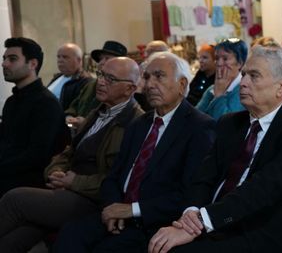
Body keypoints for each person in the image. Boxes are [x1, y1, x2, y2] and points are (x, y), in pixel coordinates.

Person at [147, 46, 282, 252]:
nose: (243, 82)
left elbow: (265, 188)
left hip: (267, 228)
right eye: (243, 75)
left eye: (254, 76)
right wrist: (191, 212)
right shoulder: (230, 123)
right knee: (156, 241)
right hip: (216, 220)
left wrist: (202, 220)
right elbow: (204, 177)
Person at [52, 51, 213, 253]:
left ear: (182, 85)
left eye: (159, 76)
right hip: (119, 213)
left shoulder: (199, 127)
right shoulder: (140, 124)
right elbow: (114, 176)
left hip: (154, 222)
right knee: (71, 234)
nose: (150, 84)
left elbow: (189, 193)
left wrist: (133, 210)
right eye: (147, 77)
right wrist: (114, 207)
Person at [0, 57, 144, 252]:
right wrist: (56, 171)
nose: (100, 81)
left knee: (15, 199)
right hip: (69, 189)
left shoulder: (136, 124)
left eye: (110, 79)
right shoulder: (98, 112)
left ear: (130, 89)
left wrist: (74, 182)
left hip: (94, 200)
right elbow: (69, 151)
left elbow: (120, 180)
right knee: (22, 233)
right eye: (101, 74)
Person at [0, 37, 66, 197]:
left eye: (12, 59)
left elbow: (36, 156)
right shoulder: (11, 101)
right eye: (4, 59)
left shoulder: (46, 103)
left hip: (30, 180)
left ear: (32, 64)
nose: (4, 64)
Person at [65, 40, 128, 128]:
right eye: (101, 59)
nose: (101, 62)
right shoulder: (90, 84)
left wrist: (86, 123)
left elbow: (114, 120)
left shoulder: (119, 88)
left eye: (107, 58)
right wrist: (69, 118)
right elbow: (74, 106)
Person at [195, 38, 247, 127]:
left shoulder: (244, 91)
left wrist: (219, 95)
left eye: (225, 58)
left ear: (240, 63)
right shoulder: (211, 89)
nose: (219, 63)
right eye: (217, 58)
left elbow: (225, 126)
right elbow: (194, 119)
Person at [47, 43, 92, 110]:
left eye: (65, 57)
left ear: (79, 60)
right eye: (58, 57)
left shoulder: (85, 81)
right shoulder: (57, 77)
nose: (60, 60)